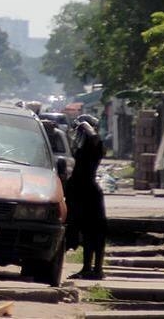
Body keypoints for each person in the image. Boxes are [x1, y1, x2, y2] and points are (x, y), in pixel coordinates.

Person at [65, 114, 107, 280]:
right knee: (86, 233)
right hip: (79, 193)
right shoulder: (82, 148)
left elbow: (94, 137)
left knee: (95, 232)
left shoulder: (95, 146)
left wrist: (85, 125)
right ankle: (87, 268)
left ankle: (97, 269)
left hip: (89, 194)